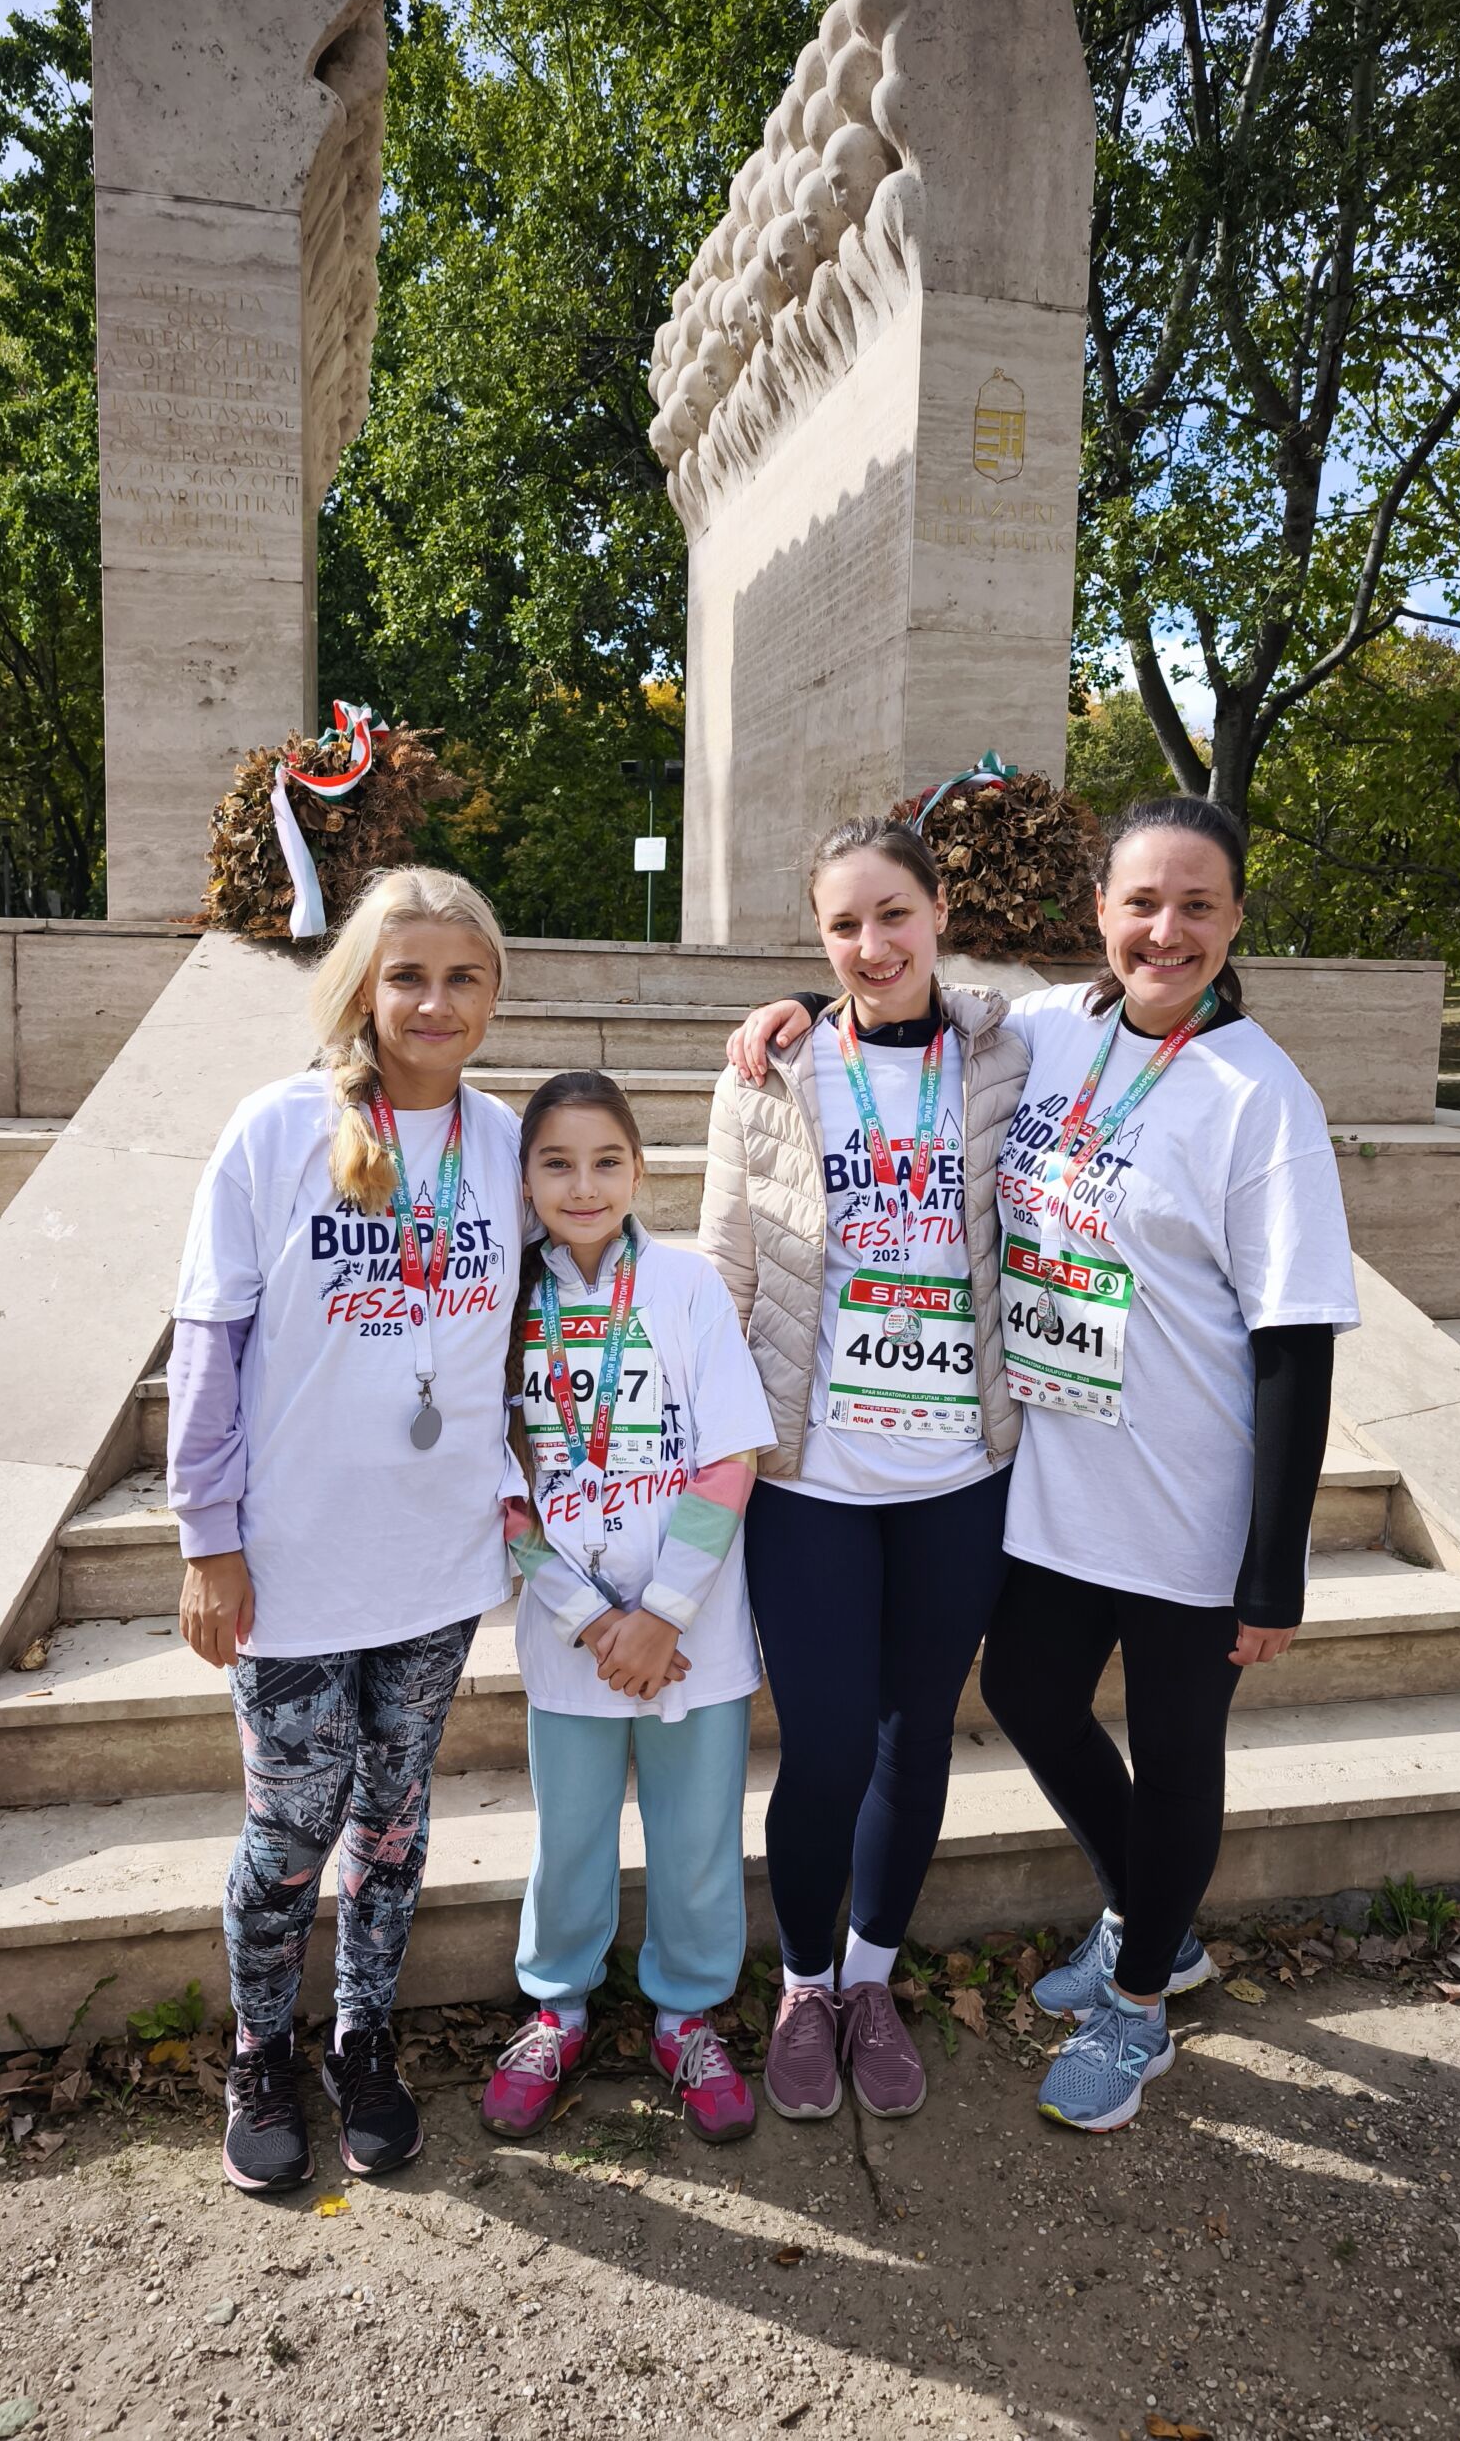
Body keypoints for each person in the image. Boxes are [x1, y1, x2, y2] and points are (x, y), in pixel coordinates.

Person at [728, 794, 1357, 2133]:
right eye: (1142, 903)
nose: (1166, 931)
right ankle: (1153, 1921)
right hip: (1057, 1481)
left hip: (1192, 1494)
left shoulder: (1264, 1097)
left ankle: (1140, 2002)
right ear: (1100, 914)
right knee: (1023, 1691)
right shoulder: (1051, 1029)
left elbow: (1297, 1342)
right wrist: (802, 1005)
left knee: (1177, 1753)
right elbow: (894, 991)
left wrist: (1276, 1566)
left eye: (1197, 906)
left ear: (1237, 919)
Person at [170, 868, 521, 2193]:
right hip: (294, 1567)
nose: (434, 1002)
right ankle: (260, 2051)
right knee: (289, 1834)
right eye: (406, 975)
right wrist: (207, 1538)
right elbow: (209, 1345)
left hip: (435, 1564)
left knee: (394, 1825)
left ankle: (363, 2042)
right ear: (362, 988)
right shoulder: (275, 1130)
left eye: (463, 977)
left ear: (494, 994)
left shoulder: (507, 1143)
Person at [699, 817, 1027, 2124]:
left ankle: (872, 1980)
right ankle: (802, 1984)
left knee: (916, 1740)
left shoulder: (1008, 1049)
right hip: (812, 1479)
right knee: (827, 1748)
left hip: (959, 1476)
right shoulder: (767, 1074)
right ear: (818, 937)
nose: (873, 944)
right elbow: (725, 1271)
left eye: (895, 914)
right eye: (844, 925)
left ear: (940, 911)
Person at [480, 1073, 776, 2146]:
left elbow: (730, 1458)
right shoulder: (503, 1305)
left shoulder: (686, 1286)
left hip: (694, 1639)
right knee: (569, 1837)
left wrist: (662, 1614)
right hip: (574, 1644)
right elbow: (505, 1493)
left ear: (640, 1168)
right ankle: (556, 2008)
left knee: (697, 1840)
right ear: (523, 1180)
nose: (583, 1185)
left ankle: (686, 2016)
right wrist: (598, 1622)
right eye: (556, 1163)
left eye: (606, 1160)